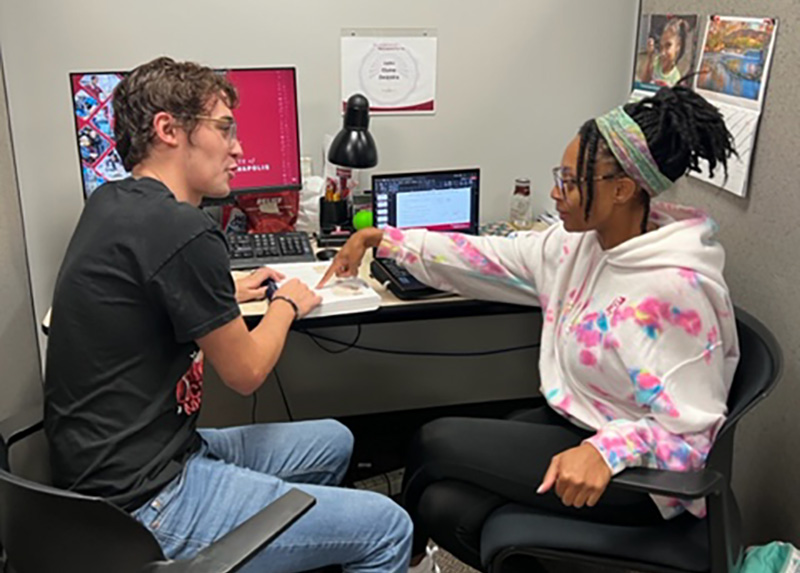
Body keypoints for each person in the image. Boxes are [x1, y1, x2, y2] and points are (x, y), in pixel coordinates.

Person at [319, 85, 739, 569]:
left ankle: (390, 552)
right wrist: (383, 239)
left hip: (637, 474)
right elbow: (488, 258)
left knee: (433, 441)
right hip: (580, 422)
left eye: (572, 181)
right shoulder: (582, 245)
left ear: (622, 189)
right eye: (559, 176)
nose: (557, 193)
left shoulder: (676, 292)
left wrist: (608, 451)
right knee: (441, 505)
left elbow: (695, 437)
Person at [45, 56, 417, 573]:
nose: (239, 147)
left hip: (117, 468)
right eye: (224, 129)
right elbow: (246, 374)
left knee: (332, 441)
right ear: (168, 129)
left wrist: (222, 290)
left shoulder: (114, 201)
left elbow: (151, 290)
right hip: (147, 498)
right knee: (388, 527)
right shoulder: (183, 230)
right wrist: (287, 302)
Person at [640, 18, 690, 87]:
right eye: (661, 47)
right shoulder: (656, 63)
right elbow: (644, 82)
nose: (663, 52)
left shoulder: (675, 79)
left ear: (678, 46)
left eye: (668, 46)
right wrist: (650, 57)